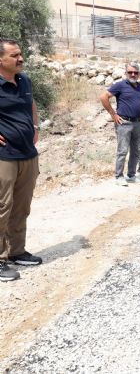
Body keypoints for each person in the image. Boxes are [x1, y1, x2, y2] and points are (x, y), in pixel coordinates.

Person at [0, 39, 42, 281]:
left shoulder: (24, 79)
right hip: (4, 157)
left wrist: (35, 125)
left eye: (21, 54)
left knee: (21, 207)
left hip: (28, 153)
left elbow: (31, 103)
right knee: (2, 207)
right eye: (15, 55)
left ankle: (16, 251)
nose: (21, 59)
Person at [99, 62, 140, 186]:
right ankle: (119, 176)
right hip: (124, 122)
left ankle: (131, 175)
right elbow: (104, 97)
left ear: (139, 74)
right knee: (122, 150)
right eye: (130, 72)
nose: (133, 74)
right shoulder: (120, 85)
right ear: (126, 73)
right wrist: (113, 114)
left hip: (138, 123)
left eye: (135, 72)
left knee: (136, 151)